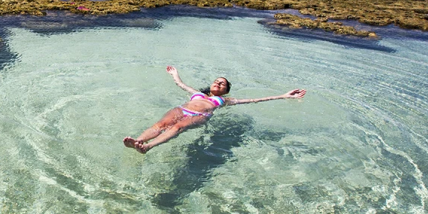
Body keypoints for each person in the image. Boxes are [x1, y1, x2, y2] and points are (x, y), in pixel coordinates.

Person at [123, 66, 306, 154]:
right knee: (160, 124)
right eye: (216, 81)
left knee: (177, 128)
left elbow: (254, 100)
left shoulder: (225, 100)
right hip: (181, 109)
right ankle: (137, 141)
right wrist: (174, 74)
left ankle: (148, 147)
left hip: (200, 115)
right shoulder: (197, 93)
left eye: (222, 83)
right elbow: (181, 84)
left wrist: (284, 95)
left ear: (226, 90)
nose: (218, 83)